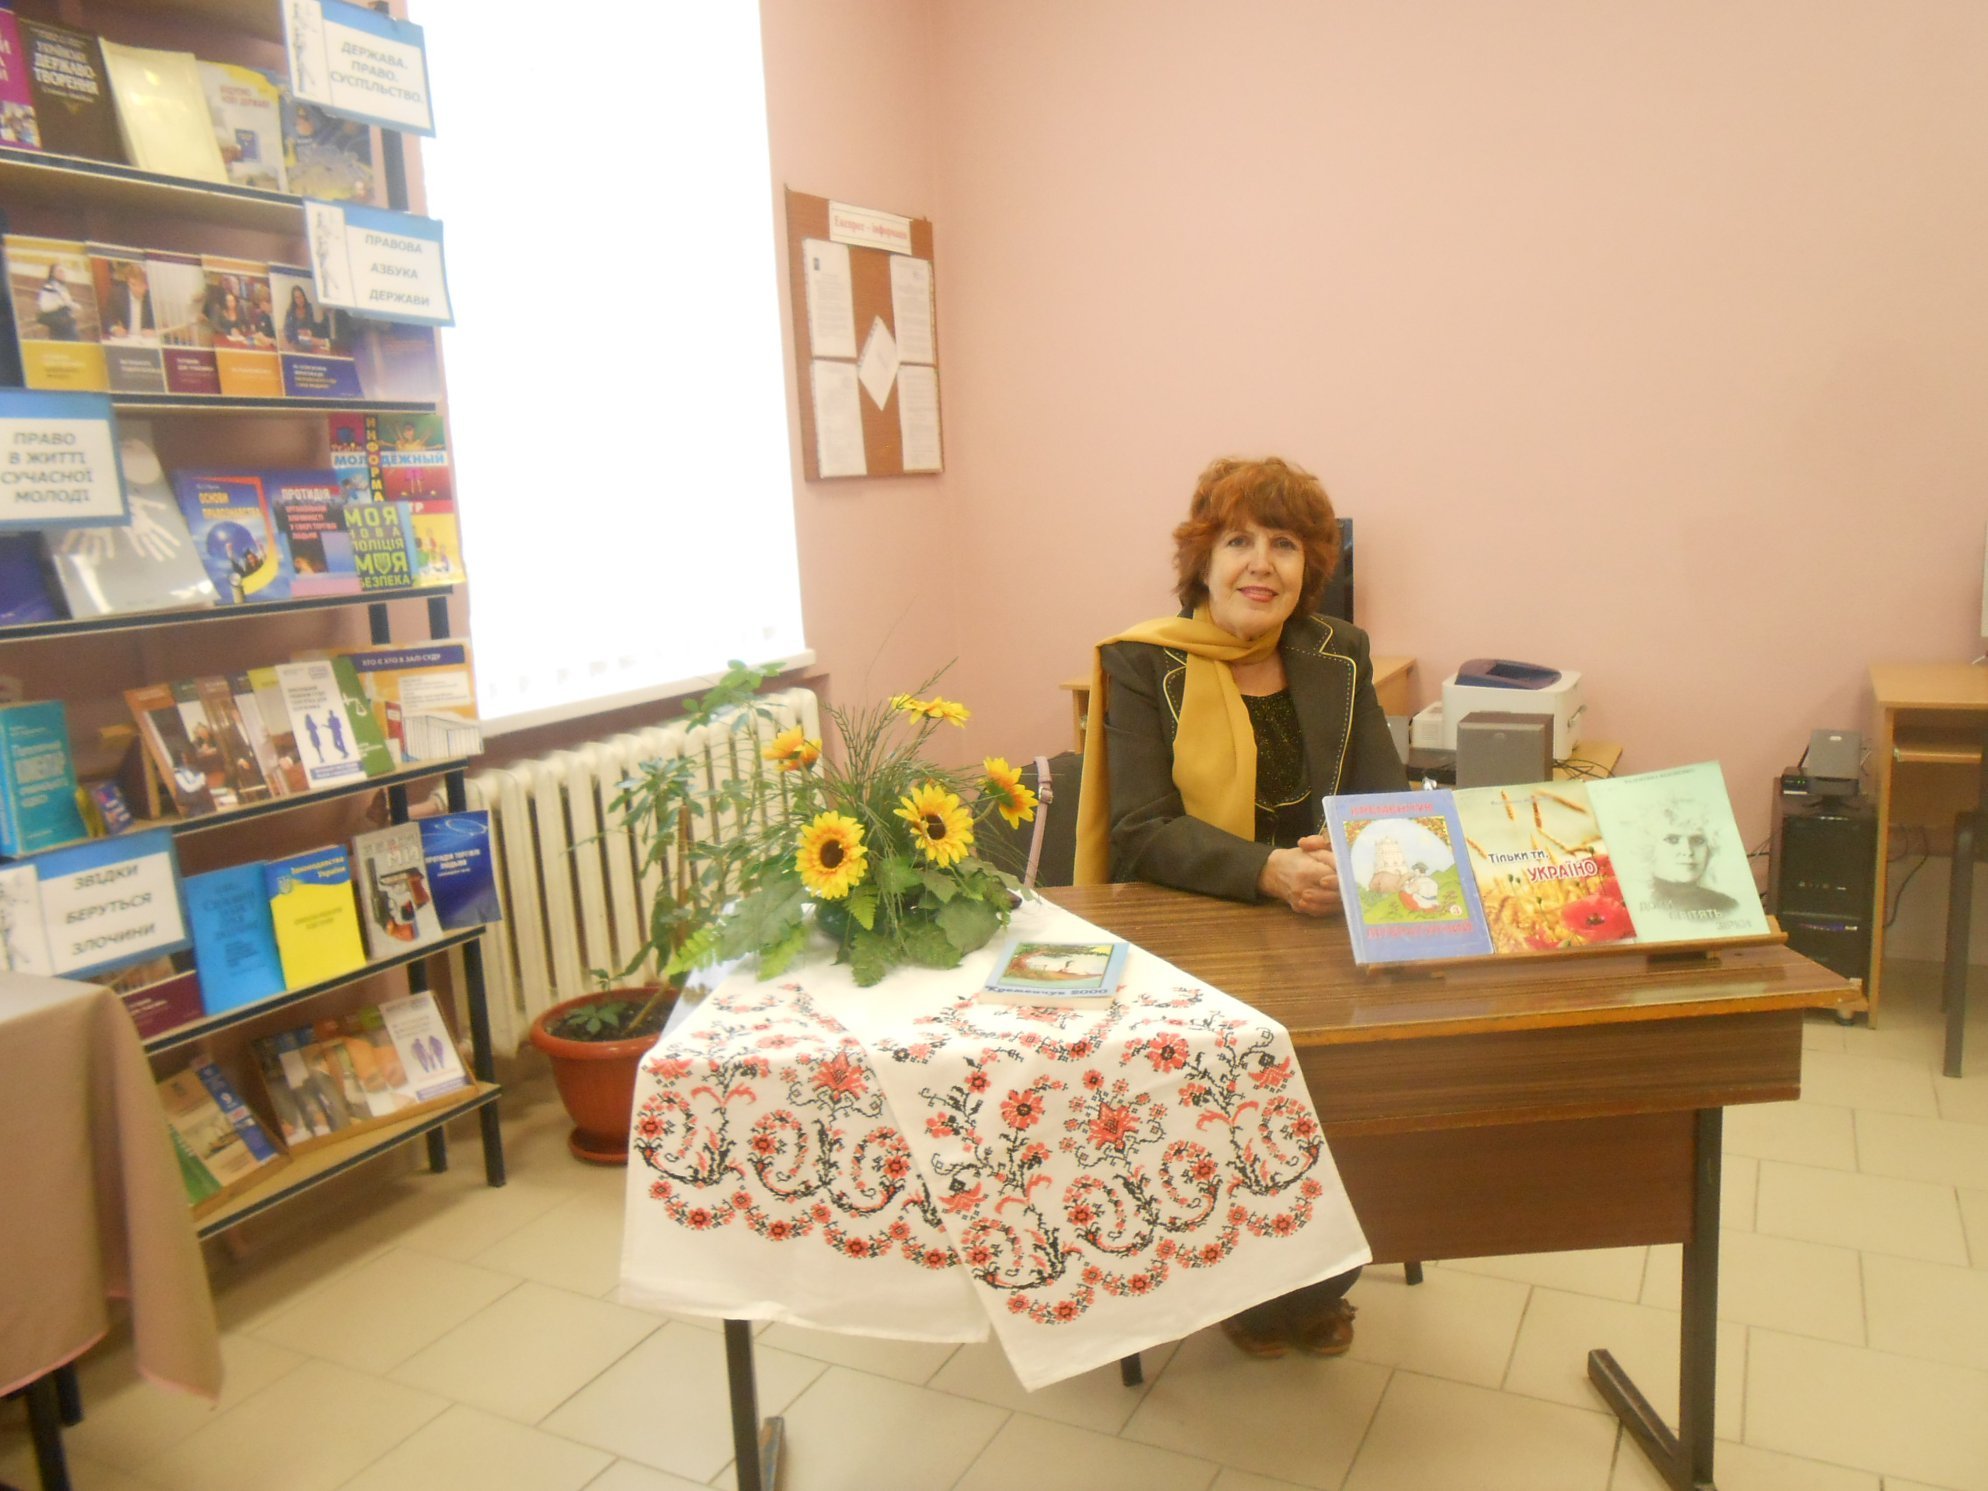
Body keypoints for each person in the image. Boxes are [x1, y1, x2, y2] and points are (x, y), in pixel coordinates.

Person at [1075, 454, 1406, 1359]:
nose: (1261, 563)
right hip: (1194, 925)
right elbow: (1141, 831)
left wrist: (1338, 856)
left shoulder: (1340, 651)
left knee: (1360, 1073)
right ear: (1203, 560)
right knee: (1226, 1082)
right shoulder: (1142, 660)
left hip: (1320, 924)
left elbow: (1382, 802)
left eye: (1284, 544)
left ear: (1310, 566)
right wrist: (1268, 871)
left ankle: (1320, 1278)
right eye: (1238, 541)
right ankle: (1241, 1282)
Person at [1642, 800, 1738, 916]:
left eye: (1698, 841)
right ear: (1648, 847)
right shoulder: (1638, 902)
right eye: (1672, 840)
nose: (1688, 851)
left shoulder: (1726, 906)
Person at [35, 264, 79, 340]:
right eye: (60, 271)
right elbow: (44, 307)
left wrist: (74, 306)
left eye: (63, 271)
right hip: (56, 323)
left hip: (65, 322)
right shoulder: (49, 287)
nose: (63, 273)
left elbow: (67, 302)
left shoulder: (63, 287)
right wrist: (60, 303)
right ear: (52, 274)